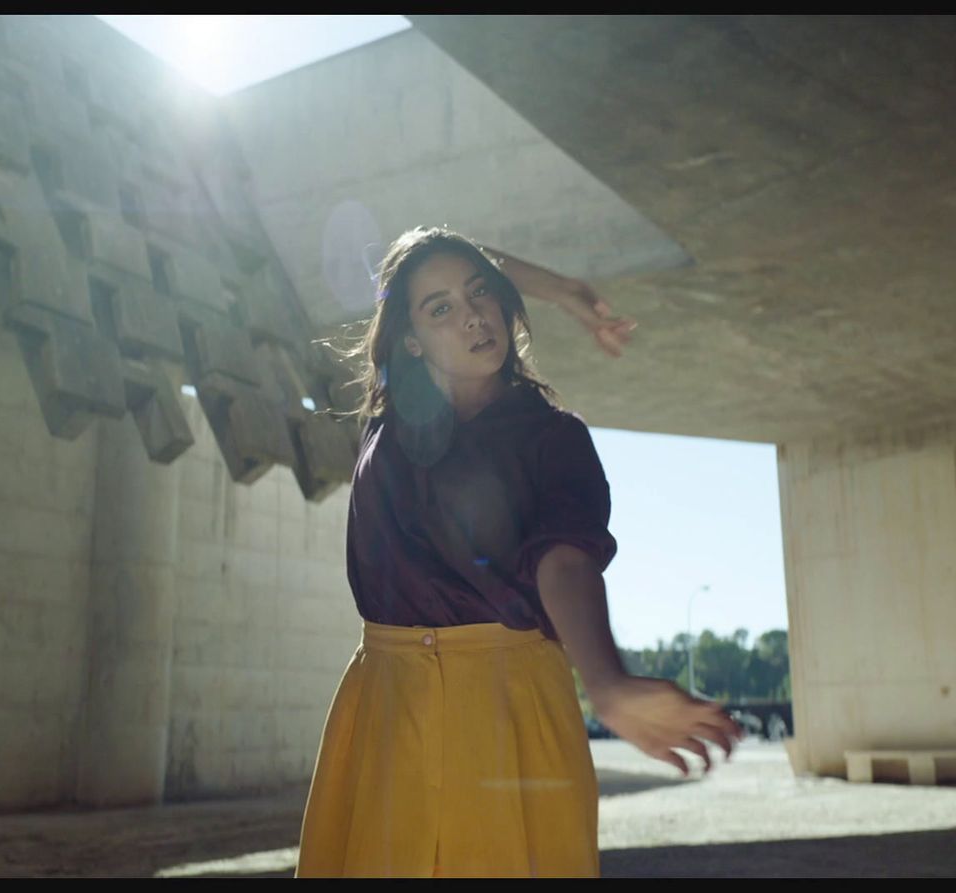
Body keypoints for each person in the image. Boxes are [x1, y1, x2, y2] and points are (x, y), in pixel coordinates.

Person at [294, 227, 743, 878]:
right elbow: (436, 269)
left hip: (508, 707)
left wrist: (606, 680)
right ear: (411, 339)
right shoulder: (389, 421)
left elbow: (563, 558)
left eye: (483, 295)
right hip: (384, 705)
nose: (474, 315)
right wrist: (563, 290)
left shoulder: (552, 437)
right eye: (442, 308)